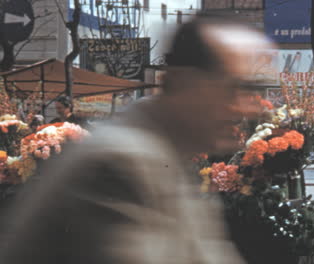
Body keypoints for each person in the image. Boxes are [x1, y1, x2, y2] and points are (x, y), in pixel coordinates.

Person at [0, 16, 275, 264]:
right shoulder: (120, 165)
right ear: (182, 83)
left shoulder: (163, 157)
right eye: (234, 88)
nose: (247, 108)